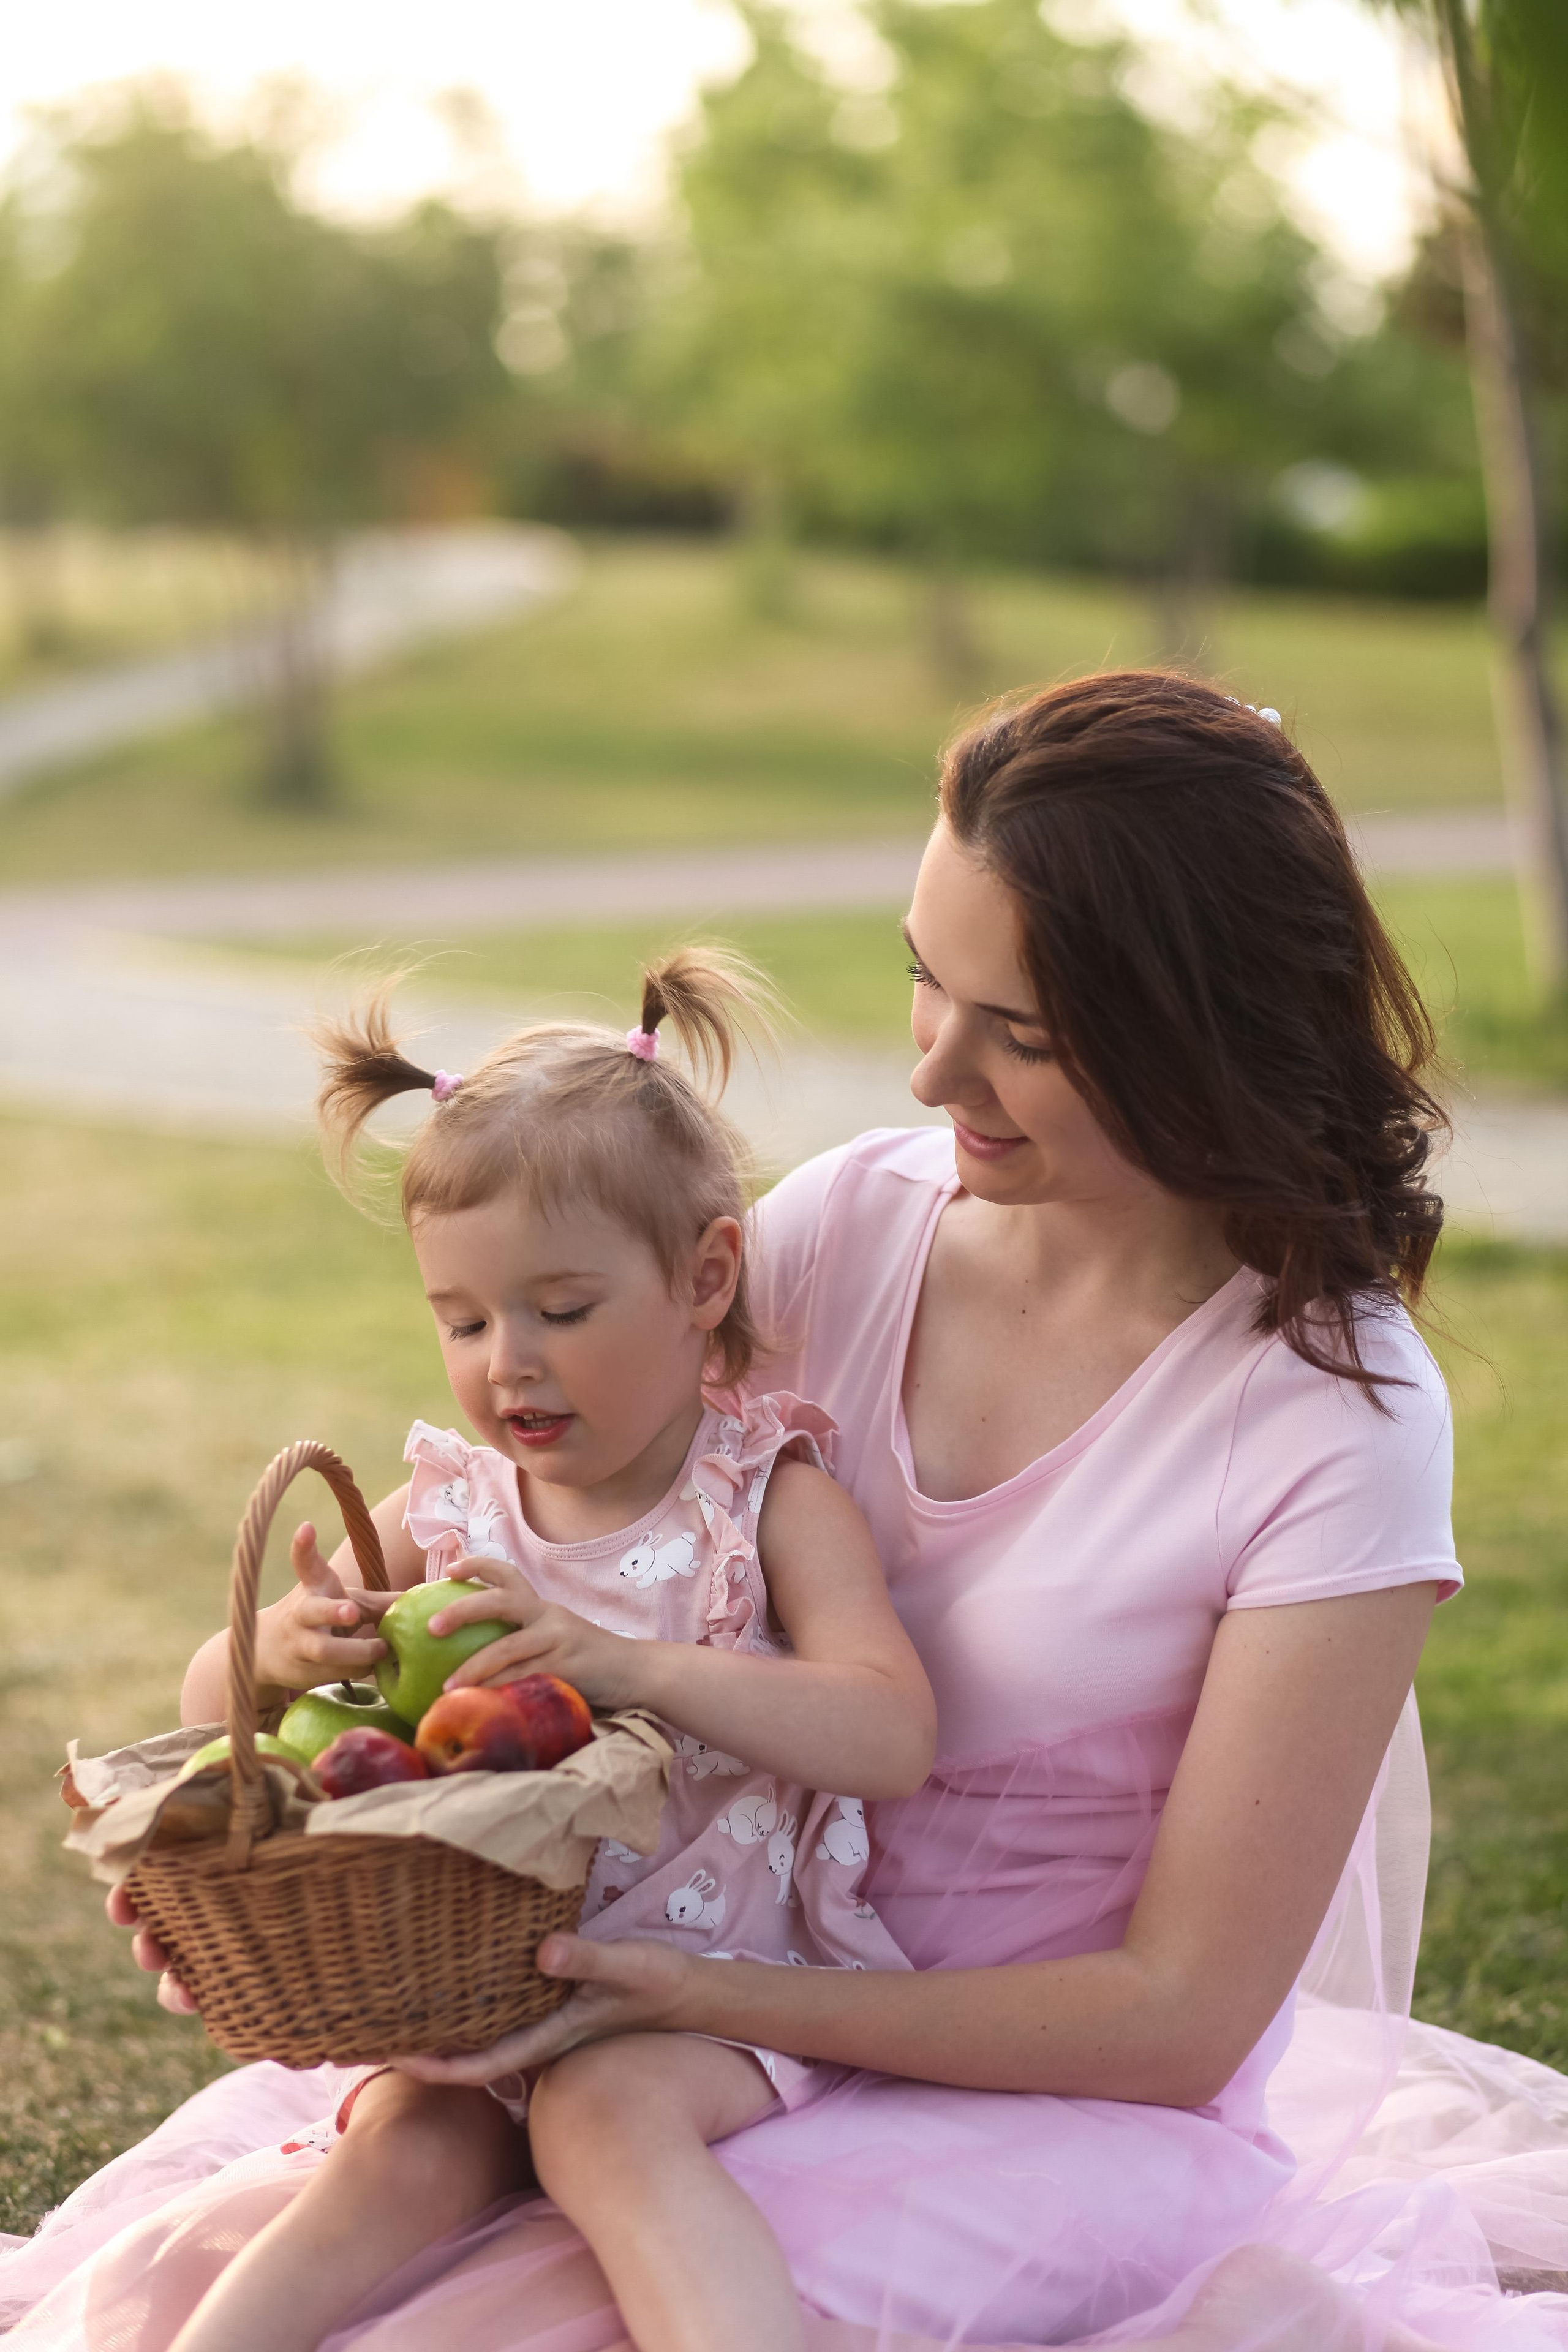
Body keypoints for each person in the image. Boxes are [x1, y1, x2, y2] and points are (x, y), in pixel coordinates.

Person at [7, 669, 1567, 2350]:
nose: (929, 1076)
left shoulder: (1330, 1416)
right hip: (655, 2025)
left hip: (1035, 2100)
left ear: (1198, 1035)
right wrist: (298, 1852)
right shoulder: (842, 1231)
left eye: (1020, 1035)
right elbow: (469, 1561)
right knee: (215, 2285)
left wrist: (695, 2001)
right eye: (923, 979)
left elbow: (1179, 2018)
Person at [98, 949, 935, 2352]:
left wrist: (628, 1663)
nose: (508, 1363)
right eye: (465, 1320)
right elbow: (211, 1714)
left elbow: (888, 1735)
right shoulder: (450, 1508)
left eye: (560, 1309)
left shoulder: (762, 1499)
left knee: (605, 2122)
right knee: (402, 2147)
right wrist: (279, 1656)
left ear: (703, 1275)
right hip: (467, 1984)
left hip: (699, 1997)